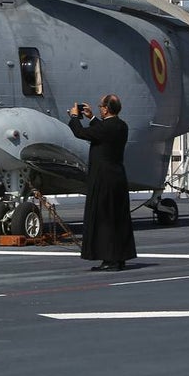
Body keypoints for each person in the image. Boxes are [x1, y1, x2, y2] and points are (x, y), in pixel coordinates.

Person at [69, 94, 137, 271]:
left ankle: (109, 258)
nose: (99, 108)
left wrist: (75, 117)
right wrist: (91, 117)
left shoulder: (106, 128)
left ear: (106, 109)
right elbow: (103, 131)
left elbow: (80, 133)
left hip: (103, 179)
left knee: (104, 219)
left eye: (101, 106)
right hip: (118, 177)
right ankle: (120, 257)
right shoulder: (121, 126)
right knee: (118, 218)